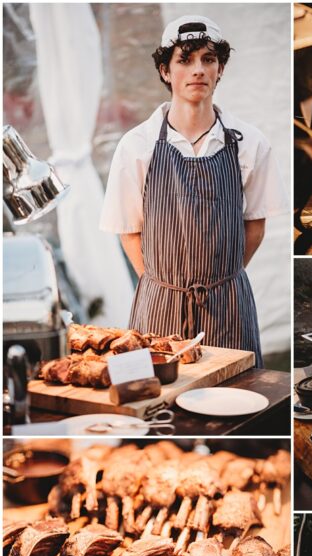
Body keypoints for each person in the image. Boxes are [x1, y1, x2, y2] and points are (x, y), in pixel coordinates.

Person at [100, 14, 286, 365]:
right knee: (161, 404)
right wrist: (164, 287)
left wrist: (221, 280)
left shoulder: (250, 143)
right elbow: (129, 231)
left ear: (221, 69)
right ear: (165, 72)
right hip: (160, 303)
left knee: (238, 400)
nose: (197, 70)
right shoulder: (137, 146)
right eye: (184, 60)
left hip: (228, 303)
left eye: (208, 59)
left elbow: (255, 226)